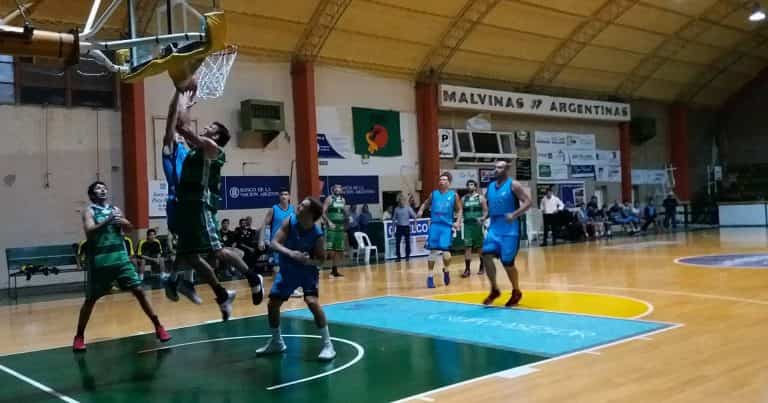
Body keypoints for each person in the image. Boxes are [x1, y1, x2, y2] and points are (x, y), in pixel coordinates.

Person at [172, 86, 264, 320]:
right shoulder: (198, 149)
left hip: (200, 204)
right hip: (187, 205)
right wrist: (183, 104)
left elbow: (182, 127)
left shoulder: (213, 148)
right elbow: (181, 129)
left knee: (217, 250)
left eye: (210, 127)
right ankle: (221, 294)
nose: (205, 127)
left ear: (215, 136)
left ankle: (253, 277)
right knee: (190, 255)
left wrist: (184, 99)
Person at [73, 182, 171, 351]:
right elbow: (89, 231)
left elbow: (128, 229)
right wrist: (108, 220)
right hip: (101, 263)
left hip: (121, 260)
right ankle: (79, 336)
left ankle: (158, 326)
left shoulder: (115, 209)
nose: (102, 190)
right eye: (98, 188)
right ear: (92, 195)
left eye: (104, 188)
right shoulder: (89, 211)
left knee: (139, 292)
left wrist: (124, 222)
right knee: (90, 300)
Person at [256, 197, 336, 361]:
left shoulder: (317, 234)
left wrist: (307, 261)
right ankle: (277, 342)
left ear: (310, 214)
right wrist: (291, 253)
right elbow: (274, 243)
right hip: (288, 270)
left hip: (307, 272)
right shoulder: (290, 221)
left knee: (312, 302)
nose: (298, 207)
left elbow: (321, 260)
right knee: (273, 304)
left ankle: (328, 345)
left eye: (302, 206)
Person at [161, 88, 201, 305]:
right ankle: (185, 281)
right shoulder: (169, 149)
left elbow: (184, 125)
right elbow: (171, 119)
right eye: (175, 133)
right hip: (176, 203)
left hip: (191, 203)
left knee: (190, 246)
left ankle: (175, 280)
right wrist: (177, 92)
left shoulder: (187, 151)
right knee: (190, 246)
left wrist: (186, 104)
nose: (178, 133)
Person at [481, 161, 532, 307]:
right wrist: (484, 216)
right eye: (495, 167)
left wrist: (514, 214)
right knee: (485, 255)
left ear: (507, 169)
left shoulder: (513, 185)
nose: (496, 170)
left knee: (507, 263)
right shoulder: (491, 187)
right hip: (494, 228)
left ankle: (516, 291)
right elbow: (490, 206)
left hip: (510, 229)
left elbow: (528, 202)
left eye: (500, 167)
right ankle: (494, 289)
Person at [417, 172, 462, 288]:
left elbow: (459, 210)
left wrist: (458, 222)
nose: (441, 181)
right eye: (440, 179)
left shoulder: (453, 195)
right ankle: (430, 277)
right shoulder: (434, 194)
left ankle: (446, 269)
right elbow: (425, 203)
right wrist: (421, 210)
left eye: (444, 179)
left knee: (446, 254)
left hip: (446, 227)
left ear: (449, 183)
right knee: (432, 251)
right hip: (435, 225)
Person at [260, 189, 301, 297]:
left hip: (289, 242)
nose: (283, 196)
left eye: (286, 194)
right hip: (276, 242)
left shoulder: (292, 209)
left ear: (289, 197)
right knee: (277, 267)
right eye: (282, 194)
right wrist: (261, 240)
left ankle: (289, 289)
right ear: (279, 197)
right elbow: (264, 224)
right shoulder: (273, 209)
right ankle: (278, 289)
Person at [461, 180, 488, 278]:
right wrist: (458, 221)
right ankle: (467, 269)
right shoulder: (463, 199)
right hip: (467, 225)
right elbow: (460, 211)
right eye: (468, 185)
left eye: (472, 185)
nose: (470, 186)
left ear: (475, 187)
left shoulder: (480, 198)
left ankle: (482, 266)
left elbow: (486, 211)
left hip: (478, 225)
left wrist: (483, 218)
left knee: (479, 247)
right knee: (467, 247)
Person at [322, 184, 346, 277]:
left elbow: (343, 212)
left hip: (340, 227)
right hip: (331, 227)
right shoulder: (329, 199)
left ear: (341, 190)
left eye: (339, 188)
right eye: (336, 188)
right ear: (333, 189)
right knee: (329, 250)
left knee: (338, 250)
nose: (338, 189)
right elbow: (323, 212)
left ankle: (334, 270)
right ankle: (319, 266)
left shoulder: (343, 200)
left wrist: (346, 218)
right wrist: (328, 222)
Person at [393, 194, 417, 261]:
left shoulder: (408, 208)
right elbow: (393, 219)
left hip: (406, 227)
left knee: (407, 242)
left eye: (403, 201)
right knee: (397, 242)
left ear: (404, 201)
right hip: (399, 227)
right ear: (399, 202)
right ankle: (398, 257)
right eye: (400, 201)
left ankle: (407, 256)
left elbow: (415, 216)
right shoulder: (396, 209)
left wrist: (415, 225)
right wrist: (393, 228)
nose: (402, 202)